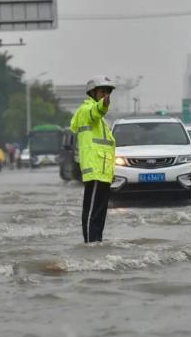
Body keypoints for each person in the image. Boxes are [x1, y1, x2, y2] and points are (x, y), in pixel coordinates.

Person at [70, 76, 116, 243]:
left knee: (100, 213)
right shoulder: (86, 111)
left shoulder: (101, 121)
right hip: (95, 169)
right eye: (102, 92)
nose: (105, 95)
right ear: (92, 93)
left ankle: (97, 243)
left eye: (108, 92)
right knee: (92, 212)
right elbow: (95, 111)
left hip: (103, 171)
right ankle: (90, 245)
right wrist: (103, 105)